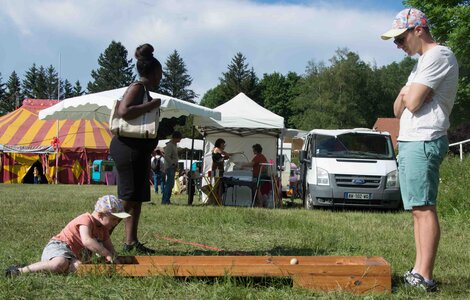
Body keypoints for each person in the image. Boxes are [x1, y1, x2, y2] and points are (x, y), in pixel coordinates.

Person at [381, 8, 459, 292]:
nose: (398, 46)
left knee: (424, 208)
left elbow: (410, 103)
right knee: (417, 208)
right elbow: (396, 107)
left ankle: (424, 276)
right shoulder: (421, 63)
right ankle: (418, 270)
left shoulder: (439, 55)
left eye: (400, 39)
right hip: (413, 140)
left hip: (425, 139)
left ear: (418, 30)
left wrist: (408, 92)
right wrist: (407, 93)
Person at [109, 43, 162, 254]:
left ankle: (131, 242)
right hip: (128, 149)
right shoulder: (138, 87)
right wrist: (151, 105)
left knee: (137, 197)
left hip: (137, 150)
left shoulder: (144, 90)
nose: (161, 78)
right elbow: (124, 111)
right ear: (152, 72)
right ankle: (100, 236)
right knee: (127, 198)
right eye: (160, 73)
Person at [4, 195, 131, 277]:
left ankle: (41, 268)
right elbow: (87, 241)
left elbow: (110, 249)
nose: (116, 223)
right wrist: (106, 254)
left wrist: (115, 258)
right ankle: (20, 271)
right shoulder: (86, 219)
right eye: (114, 219)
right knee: (60, 263)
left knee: (80, 269)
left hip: (73, 256)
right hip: (59, 247)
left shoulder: (103, 230)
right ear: (101, 214)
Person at [162, 131, 182, 205]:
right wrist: (173, 163)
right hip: (170, 167)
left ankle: (167, 200)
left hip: (173, 167)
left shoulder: (174, 145)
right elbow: (166, 156)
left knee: (171, 184)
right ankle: (165, 200)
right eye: (180, 138)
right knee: (169, 184)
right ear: (176, 137)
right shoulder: (170, 145)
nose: (180, 140)